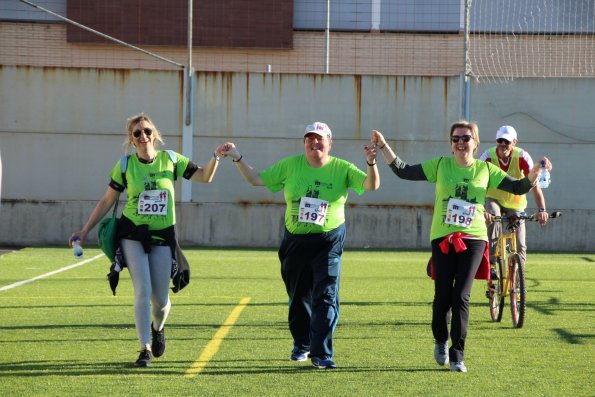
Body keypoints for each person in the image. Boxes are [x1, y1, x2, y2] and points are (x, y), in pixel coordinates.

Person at [372, 121, 552, 373]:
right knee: (442, 298)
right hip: (443, 238)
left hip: (474, 238)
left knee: (461, 297)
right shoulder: (440, 165)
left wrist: (535, 172)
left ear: (476, 143)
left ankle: (458, 355)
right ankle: (440, 340)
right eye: (456, 138)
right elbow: (404, 170)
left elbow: (518, 186)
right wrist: (383, 146)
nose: (460, 142)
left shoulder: (485, 169)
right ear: (450, 142)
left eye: (466, 138)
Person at [217, 122, 380, 369]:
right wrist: (237, 156)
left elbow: (371, 185)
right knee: (298, 296)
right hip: (295, 241)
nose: (314, 143)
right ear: (304, 143)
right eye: (309, 139)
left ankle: (321, 353)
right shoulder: (291, 165)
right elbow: (255, 179)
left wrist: (371, 163)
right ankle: (302, 343)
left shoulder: (342, 168)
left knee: (325, 297)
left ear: (329, 143)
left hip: (328, 240)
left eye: (320, 139)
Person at [69, 113, 223, 367]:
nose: (143, 136)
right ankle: (144, 348)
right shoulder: (125, 165)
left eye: (147, 131)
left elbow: (205, 176)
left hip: (162, 237)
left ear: (155, 134)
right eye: (137, 133)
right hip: (132, 233)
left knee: (161, 300)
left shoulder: (171, 160)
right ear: (131, 139)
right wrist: (84, 231)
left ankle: (158, 327)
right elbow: (107, 200)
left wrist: (216, 156)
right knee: (142, 288)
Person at [479, 125, 548, 278]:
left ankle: (517, 279)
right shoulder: (487, 156)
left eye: (507, 141)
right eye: (500, 140)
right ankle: (491, 264)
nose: (503, 144)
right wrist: (481, 209)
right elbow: (476, 182)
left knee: (521, 244)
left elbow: (535, 185)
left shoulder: (523, 157)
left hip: (516, 204)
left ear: (514, 142)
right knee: (493, 217)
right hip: (493, 199)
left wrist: (542, 210)